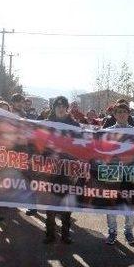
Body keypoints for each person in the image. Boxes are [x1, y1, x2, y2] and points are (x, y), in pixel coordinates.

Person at [44, 96, 80, 244]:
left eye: (63, 105)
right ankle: (50, 233)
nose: (60, 108)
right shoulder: (46, 124)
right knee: (50, 202)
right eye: (57, 106)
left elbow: (80, 144)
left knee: (66, 202)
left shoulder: (74, 124)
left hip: (68, 169)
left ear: (67, 108)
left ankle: (65, 233)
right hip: (50, 168)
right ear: (54, 108)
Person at [105, 102, 134, 245]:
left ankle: (128, 231)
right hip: (112, 171)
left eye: (124, 111)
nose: (122, 114)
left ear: (128, 114)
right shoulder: (107, 132)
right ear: (114, 114)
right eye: (119, 112)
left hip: (129, 172)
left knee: (129, 204)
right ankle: (112, 231)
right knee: (112, 203)